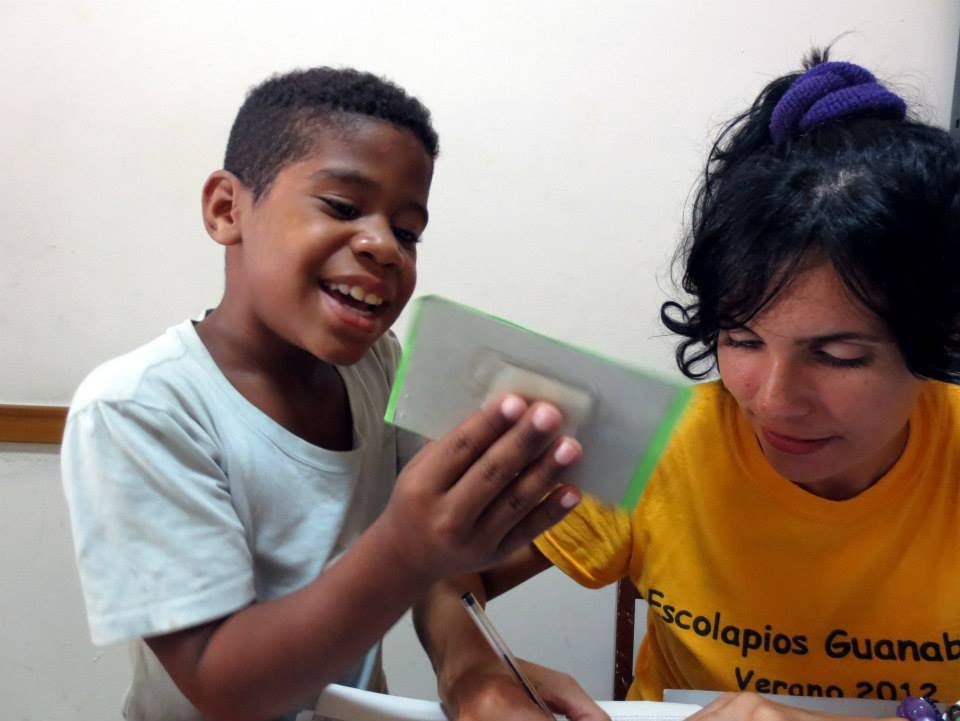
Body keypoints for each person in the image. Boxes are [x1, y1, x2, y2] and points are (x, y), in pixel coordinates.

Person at [414, 49, 960, 721]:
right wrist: (471, 672)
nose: (771, 400)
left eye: (838, 355)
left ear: (942, 333)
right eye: (743, 340)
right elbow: (445, 573)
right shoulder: (664, 441)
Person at [60, 67, 605, 721]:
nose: (384, 247)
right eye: (343, 207)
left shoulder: (378, 365)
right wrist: (406, 548)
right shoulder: (139, 408)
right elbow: (223, 686)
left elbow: (440, 571)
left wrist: (476, 671)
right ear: (227, 209)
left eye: (407, 231)